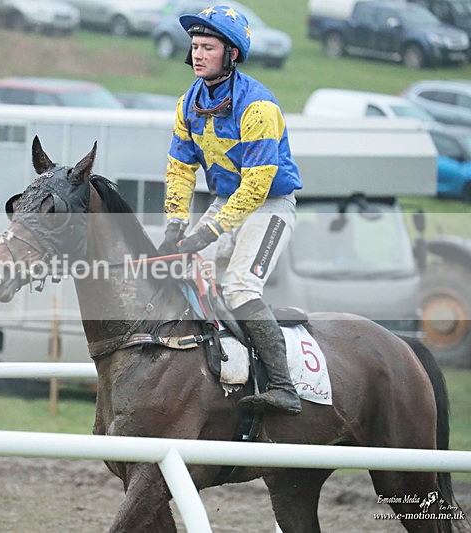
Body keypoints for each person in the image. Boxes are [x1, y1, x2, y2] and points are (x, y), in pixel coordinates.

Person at [157, 5, 303, 415]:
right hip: (226, 203)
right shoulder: (188, 102)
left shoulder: (259, 106)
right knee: (183, 274)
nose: (197, 54)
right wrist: (175, 221)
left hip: (270, 206)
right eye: (195, 46)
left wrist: (208, 231)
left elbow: (256, 187)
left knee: (240, 288)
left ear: (232, 54)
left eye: (207, 47)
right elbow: (180, 167)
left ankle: (282, 384)